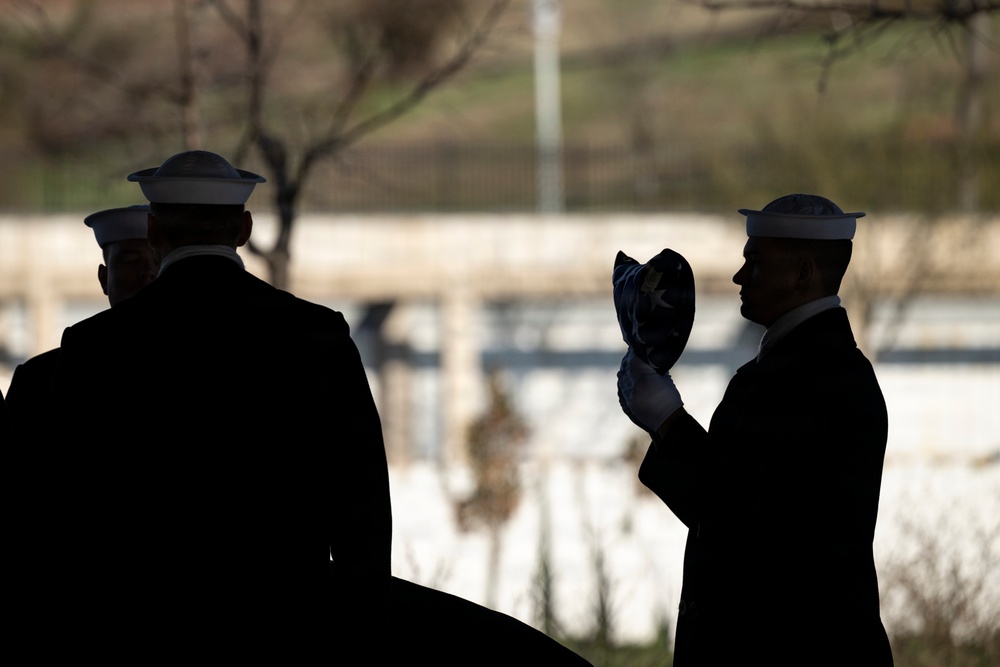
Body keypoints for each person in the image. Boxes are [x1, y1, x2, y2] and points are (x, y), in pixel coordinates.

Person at [42, 150, 391, 658]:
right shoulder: (316, 333)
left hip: (138, 633)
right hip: (287, 629)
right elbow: (360, 499)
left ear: (154, 232)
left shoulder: (94, 345)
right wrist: (362, 634)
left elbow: (62, 508)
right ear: (244, 228)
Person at [617, 194, 893, 665]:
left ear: (803, 273)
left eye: (756, 262)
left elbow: (742, 516)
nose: (739, 277)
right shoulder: (796, 371)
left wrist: (668, 421)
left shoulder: (824, 380)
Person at [6, 205, 158, 432]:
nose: (147, 272)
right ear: (104, 278)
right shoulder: (38, 378)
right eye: (130, 261)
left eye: (159, 261)